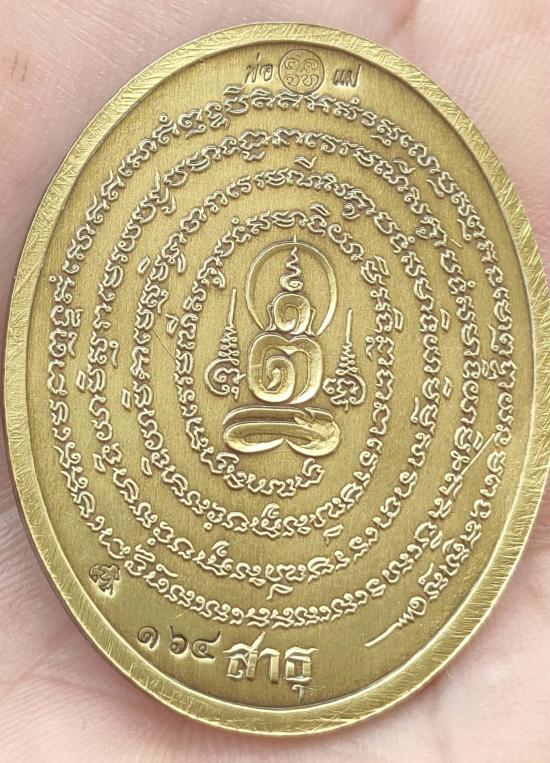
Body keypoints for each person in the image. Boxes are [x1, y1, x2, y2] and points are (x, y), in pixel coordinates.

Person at [0, 0, 548, 759]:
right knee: (255, 421)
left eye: (298, 299)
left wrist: (312, 384)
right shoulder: (256, 336)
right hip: (255, 420)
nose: (289, 304)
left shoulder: (316, 343)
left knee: (310, 424)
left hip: (303, 425)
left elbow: (318, 397)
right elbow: (249, 389)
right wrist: (253, 375)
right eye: (282, 297)